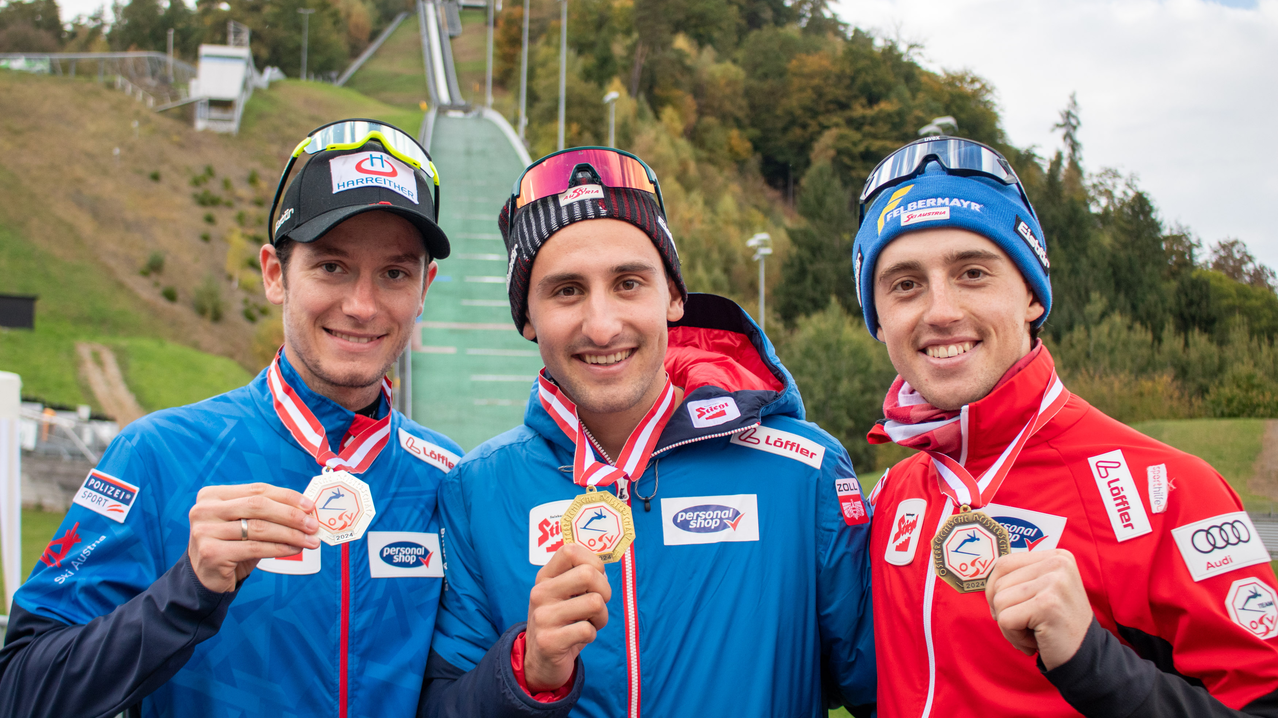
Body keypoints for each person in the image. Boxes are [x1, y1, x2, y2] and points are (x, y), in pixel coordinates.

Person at [0, 119, 464, 718]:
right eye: (331, 266)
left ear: (424, 288)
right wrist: (187, 590)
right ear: (275, 274)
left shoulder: (450, 478)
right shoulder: (156, 456)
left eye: (394, 274)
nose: (361, 305)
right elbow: (21, 690)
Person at [418, 147, 876, 717]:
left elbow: (892, 688)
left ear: (674, 296)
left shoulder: (804, 472)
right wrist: (527, 672)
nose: (603, 325)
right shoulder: (475, 490)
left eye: (629, 282)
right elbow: (441, 707)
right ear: (527, 318)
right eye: (567, 291)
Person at [853, 136, 1278, 717]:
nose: (941, 310)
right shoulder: (890, 497)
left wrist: (1090, 658)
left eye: (973, 272)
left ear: (1031, 294)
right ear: (879, 321)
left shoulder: (1171, 492)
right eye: (905, 284)